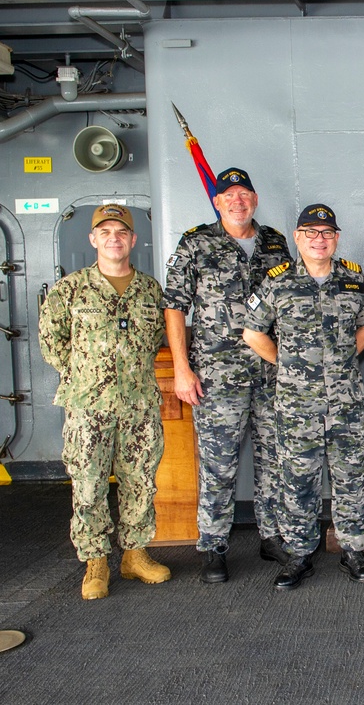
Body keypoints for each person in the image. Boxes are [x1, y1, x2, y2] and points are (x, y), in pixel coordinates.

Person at [163, 167, 292, 584]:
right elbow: (175, 307)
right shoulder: (196, 243)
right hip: (217, 376)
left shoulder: (275, 243)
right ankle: (214, 545)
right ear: (217, 202)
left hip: (269, 374)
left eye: (245, 194)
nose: (238, 202)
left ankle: (271, 536)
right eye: (229, 195)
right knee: (218, 464)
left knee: (274, 458)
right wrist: (182, 369)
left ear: (255, 199)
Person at [38, 204, 171, 600]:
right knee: (89, 481)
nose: (114, 238)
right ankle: (96, 560)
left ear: (133, 240)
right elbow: (52, 342)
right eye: (106, 231)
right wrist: (85, 378)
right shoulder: (71, 289)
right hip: (88, 406)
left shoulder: (150, 290)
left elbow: (156, 339)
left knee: (140, 479)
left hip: (139, 403)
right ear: (93, 239)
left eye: (121, 232)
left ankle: (134, 553)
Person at [243, 203, 364, 590]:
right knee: (297, 478)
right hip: (296, 403)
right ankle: (299, 553)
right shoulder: (278, 281)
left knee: (350, 476)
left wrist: (347, 355)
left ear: (336, 239)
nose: (319, 240)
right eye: (311, 233)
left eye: (327, 233)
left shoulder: (352, 280)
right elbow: (253, 333)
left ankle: (353, 549)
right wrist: (285, 364)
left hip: (345, 402)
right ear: (298, 238)